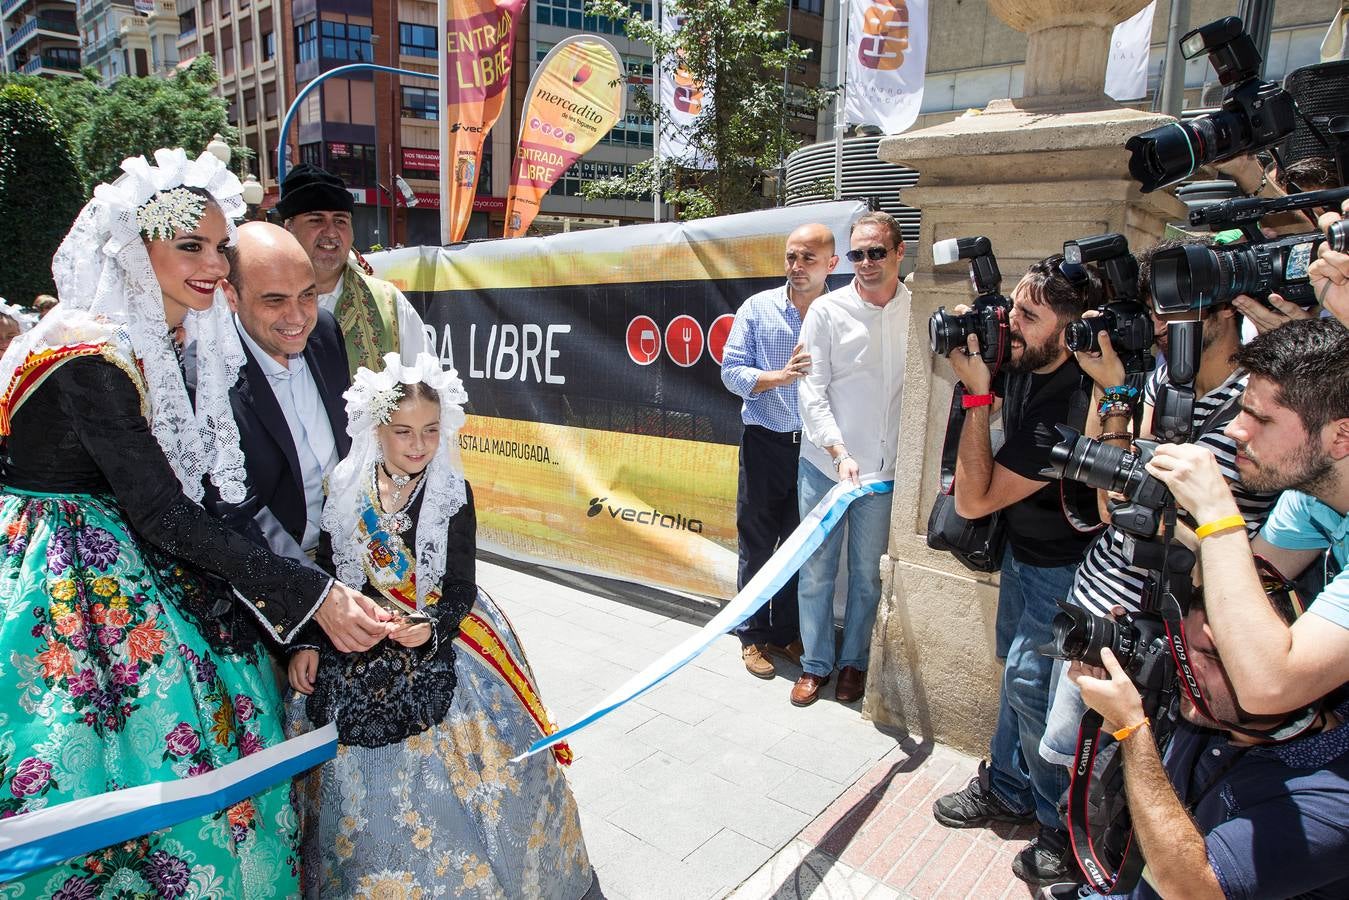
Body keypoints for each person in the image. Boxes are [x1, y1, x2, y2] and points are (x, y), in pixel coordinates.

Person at [0, 149, 391, 896]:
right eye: (190, 246)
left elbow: (211, 500)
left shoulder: (167, 343)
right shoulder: (90, 350)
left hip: (131, 558)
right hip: (67, 586)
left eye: (219, 247)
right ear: (133, 249)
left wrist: (310, 595)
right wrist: (311, 597)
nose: (213, 264)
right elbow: (162, 511)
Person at [286, 352, 593, 898]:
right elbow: (333, 575)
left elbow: (460, 586)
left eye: (430, 431)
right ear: (375, 429)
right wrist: (311, 639)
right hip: (358, 637)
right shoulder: (346, 486)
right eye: (402, 431)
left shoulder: (452, 491)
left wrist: (433, 625)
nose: (418, 444)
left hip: (442, 634)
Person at [1038, 240, 1282, 776]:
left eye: (1173, 306)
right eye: (1155, 309)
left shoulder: (1260, 406)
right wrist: (1118, 392)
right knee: (1071, 763)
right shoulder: (1164, 379)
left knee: (1129, 776)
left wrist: (1119, 400)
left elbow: (1127, 494)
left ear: (1228, 308)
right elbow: (1108, 497)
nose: (1158, 324)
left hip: (1173, 627)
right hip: (1100, 600)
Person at [931, 256, 1103, 886]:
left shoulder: (1073, 400)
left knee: (1038, 693)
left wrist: (976, 392)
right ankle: (1006, 785)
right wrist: (971, 325)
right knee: (1016, 677)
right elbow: (992, 321)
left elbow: (974, 500)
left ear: (1071, 330)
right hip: (1023, 553)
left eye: (1029, 316)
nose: (1012, 324)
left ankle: (1061, 826)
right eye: (1014, 309)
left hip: (1067, 572)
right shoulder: (1028, 352)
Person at [1063, 589, 1349, 900]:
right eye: (1184, 644)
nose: (1185, 665)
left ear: (1282, 672)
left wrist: (1132, 729)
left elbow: (1193, 890)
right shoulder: (1211, 710)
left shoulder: (1331, 800)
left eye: (1210, 655)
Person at [1143, 317, 1349, 715]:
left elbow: (1267, 686)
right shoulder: (1312, 498)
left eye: (1262, 419)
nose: (1236, 430)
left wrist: (1218, 514)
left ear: (1340, 437)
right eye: (1241, 411)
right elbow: (1248, 580)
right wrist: (1156, 517)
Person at [792, 211, 908, 707]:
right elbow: (810, 389)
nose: (865, 262)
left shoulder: (919, 308)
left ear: (899, 253)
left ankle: (854, 663)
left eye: (876, 252)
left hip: (884, 476)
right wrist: (837, 450)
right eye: (857, 253)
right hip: (825, 467)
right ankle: (816, 664)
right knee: (816, 570)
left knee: (867, 574)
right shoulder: (826, 311)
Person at [720, 222, 838, 679]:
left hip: (815, 450)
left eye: (808, 258)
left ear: (831, 264)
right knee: (757, 543)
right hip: (765, 443)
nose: (797, 266)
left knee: (798, 546)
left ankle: (786, 631)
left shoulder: (841, 312)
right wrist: (778, 377)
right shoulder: (757, 308)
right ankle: (750, 635)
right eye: (791, 257)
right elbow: (731, 373)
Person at [201, 221, 351, 564]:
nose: (297, 316)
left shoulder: (325, 331)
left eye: (307, 295)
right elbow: (235, 512)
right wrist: (323, 595)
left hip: (344, 559)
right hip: (273, 577)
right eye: (275, 300)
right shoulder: (208, 375)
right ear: (231, 295)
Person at [276, 163, 432, 377]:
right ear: (289, 229)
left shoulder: (387, 303)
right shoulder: (263, 302)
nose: (331, 232)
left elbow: (428, 385)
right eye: (316, 220)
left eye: (340, 221)